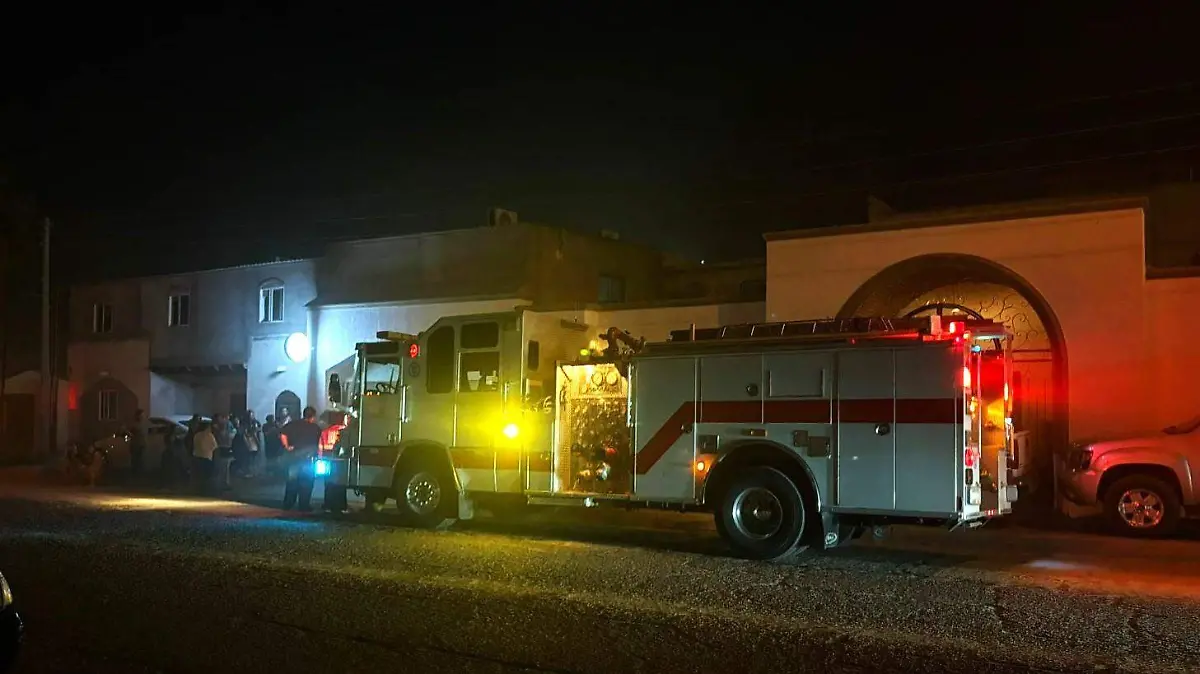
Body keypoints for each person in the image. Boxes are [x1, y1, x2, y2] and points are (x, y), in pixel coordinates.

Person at [280, 406, 321, 511]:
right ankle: (304, 505)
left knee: (292, 482)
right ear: (312, 417)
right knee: (307, 483)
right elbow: (319, 443)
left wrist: (287, 446)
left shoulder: (293, 425)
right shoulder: (315, 428)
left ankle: (288, 504)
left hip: (294, 458)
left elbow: (283, 434)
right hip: (308, 460)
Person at [191, 421, 217, 495]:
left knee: (199, 475)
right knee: (206, 476)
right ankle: (205, 490)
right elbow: (215, 447)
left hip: (197, 456)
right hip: (207, 458)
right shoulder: (209, 436)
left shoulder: (197, 435)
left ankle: (198, 490)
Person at [130, 409, 149, 478]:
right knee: (135, 460)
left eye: (143, 415)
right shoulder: (134, 425)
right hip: (135, 445)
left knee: (141, 460)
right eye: (141, 415)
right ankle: (135, 474)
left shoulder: (144, 424)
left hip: (142, 444)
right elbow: (129, 434)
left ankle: (140, 474)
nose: (142, 417)